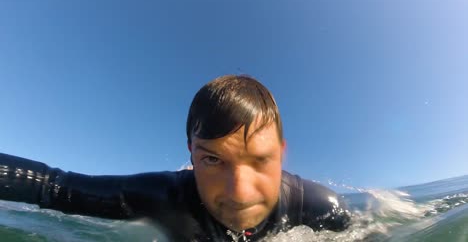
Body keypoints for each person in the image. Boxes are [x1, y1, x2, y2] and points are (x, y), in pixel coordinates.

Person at [0, 75, 350, 241]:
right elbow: (53, 187)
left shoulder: (320, 209)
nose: (240, 193)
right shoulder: (164, 196)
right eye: (213, 160)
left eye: (260, 160)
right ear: (191, 156)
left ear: (281, 155)